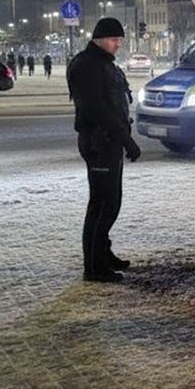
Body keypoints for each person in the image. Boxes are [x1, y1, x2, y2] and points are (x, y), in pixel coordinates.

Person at [66, 17, 142, 283]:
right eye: (114, 39)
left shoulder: (103, 63)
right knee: (102, 204)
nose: (118, 44)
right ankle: (94, 267)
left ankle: (103, 254)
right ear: (99, 38)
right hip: (98, 143)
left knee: (111, 201)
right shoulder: (87, 65)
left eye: (120, 40)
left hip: (109, 142)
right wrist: (126, 139)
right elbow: (95, 108)